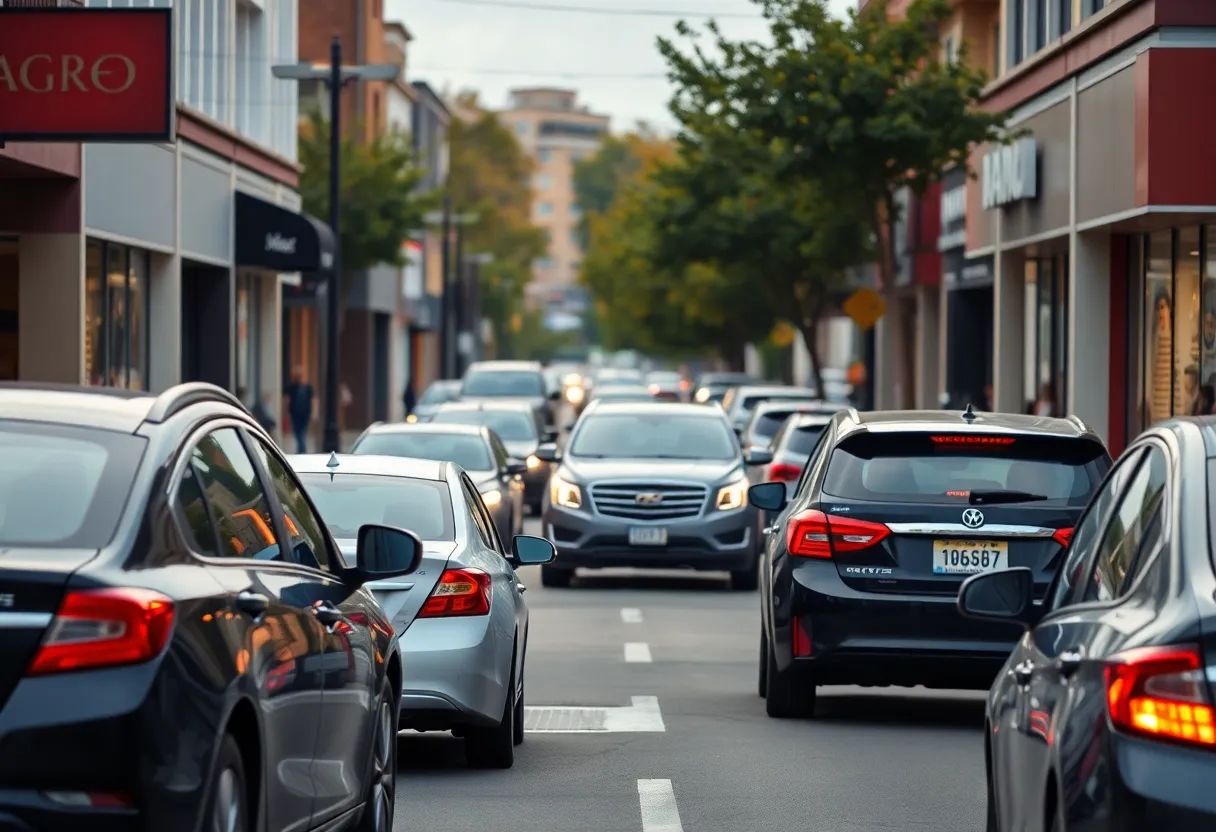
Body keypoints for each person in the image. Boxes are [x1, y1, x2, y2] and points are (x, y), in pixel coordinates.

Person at [284, 368, 314, 454]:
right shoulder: (291, 387)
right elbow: (287, 401)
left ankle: (301, 449)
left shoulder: (308, 387)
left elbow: (313, 400)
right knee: (298, 432)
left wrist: (314, 413)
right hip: (295, 414)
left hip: (305, 413)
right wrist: (287, 413)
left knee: (302, 432)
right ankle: (302, 449)